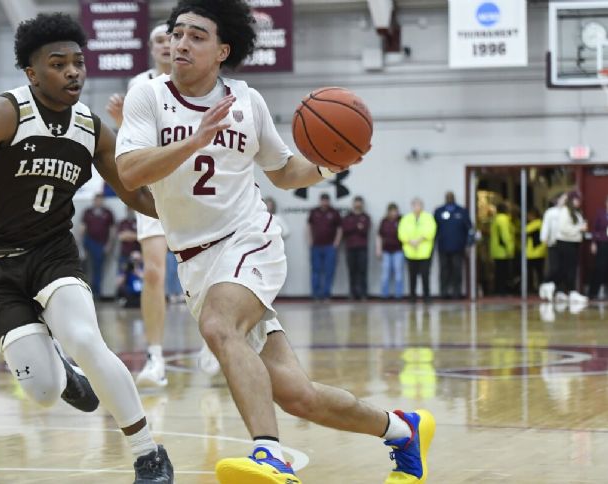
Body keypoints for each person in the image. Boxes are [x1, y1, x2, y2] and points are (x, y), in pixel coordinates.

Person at [115, 1, 434, 482]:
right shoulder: (148, 97)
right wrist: (195, 140)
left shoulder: (247, 102)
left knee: (221, 327)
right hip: (195, 261)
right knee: (295, 393)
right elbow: (131, 170)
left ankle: (269, 454)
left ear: (223, 50)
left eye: (197, 36)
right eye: (178, 33)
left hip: (248, 240)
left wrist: (331, 163)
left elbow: (284, 172)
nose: (181, 43)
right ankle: (402, 430)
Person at [0, 13, 173, 482]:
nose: (72, 73)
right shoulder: (6, 112)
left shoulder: (92, 127)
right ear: (31, 72)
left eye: (78, 63)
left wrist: (191, 215)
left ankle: (148, 453)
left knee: (85, 338)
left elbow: (135, 196)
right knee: (42, 392)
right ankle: (60, 373)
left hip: (52, 256)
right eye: (58, 64)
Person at [106, 22, 173, 389]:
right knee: (152, 274)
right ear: (151, 48)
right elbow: (131, 144)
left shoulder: (194, 80)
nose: (166, 45)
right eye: (159, 40)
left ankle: (216, 345)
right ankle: (155, 356)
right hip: (154, 191)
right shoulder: (139, 85)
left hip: (193, 189)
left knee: (205, 277)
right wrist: (121, 124)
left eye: (171, 38)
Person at [433, 191, 471, 299]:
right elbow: (434, 229)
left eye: (451, 197)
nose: (449, 198)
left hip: (458, 247)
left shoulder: (462, 211)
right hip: (443, 246)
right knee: (444, 270)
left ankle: (457, 292)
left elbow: (469, 228)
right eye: (448, 197)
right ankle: (444, 292)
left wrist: (468, 244)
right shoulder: (439, 211)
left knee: (457, 270)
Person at [398, 197, 436, 303]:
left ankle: (426, 296)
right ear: (412, 206)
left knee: (425, 275)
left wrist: (419, 240)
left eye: (419, 205)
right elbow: (401, 233)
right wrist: (410, 241)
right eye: (415, 205)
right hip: (410, 252)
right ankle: (412, 296)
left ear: (422, 206)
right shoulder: (406, 218)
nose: (417, 207)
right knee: (412, 276)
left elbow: (431, 231)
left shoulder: (428, 217)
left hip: (424, 252)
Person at [555, 192, 588, 304]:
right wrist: (579, 228)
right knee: (567, 268)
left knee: (568, 268)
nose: (578, 202)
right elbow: (564, 228)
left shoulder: (575, 212)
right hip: (566, 243)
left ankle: (562, 292)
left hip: (573, 243)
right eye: (576, 200)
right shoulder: (565, 211)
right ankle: (570, 291)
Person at [307, 193, 341, 300]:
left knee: (329, 271)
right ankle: (316, 294)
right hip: (316, 246)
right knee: (316, 270)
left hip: (330, 247)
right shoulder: (314, 212)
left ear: (329, 201)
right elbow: (308, 226)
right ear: (320, 201)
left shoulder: (334, 213)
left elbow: (340, 228)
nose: (324, 202)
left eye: (326, 200)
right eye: (323, 200)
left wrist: (336, 242)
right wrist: (310, 240)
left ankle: (326, 294)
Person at [81, 193, 114, 299]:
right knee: (84, 268)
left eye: (100, 200)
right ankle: (84, 291)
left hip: (101, 243)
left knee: (98, 268)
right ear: (94, 201)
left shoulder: (108, 213)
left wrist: (109, 244)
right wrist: (82, 246)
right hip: (89, 242)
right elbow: (82, 228)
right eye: (97, 200)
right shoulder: (88, 212)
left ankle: (96, 293)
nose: (98, 202)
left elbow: (112, 230)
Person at [539, 192, 567, 301]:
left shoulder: (567, 212)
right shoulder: (550, 212)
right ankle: (546, 284)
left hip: (565, 243)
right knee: (554, 267)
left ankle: (559, 290)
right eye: (563, 198)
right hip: (553, 243)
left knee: (563, 268)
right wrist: (544, 239)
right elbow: (546, 226)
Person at [342, 196, 370, 300]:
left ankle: (363, 293)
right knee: (352, 271)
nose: (358, 205)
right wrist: (356, 227)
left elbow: (365, 230)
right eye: (356, 203)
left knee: (362, 271)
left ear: (362, 204)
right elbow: (345, 230)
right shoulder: (348, 217)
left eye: (360, 203)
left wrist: (353, 228)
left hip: (362, 248)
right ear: (353, 204)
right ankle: (352, 293)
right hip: (350, 248)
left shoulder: (366, 217)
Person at [377, 202, 404, 299]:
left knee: (398, 273)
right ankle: (384, 294)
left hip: (398, 250)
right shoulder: (384, 221)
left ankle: (398, 295)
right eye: (391, 211)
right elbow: (380, 236)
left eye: (395, 211)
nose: (394, 213)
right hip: (386, 251)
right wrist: (378, 249)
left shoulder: (401, 220)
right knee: (385, 273)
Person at [489, 202, 515, 296]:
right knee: (503, 272)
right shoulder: (503, 219)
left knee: (498, 272)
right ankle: (502, 291)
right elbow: (505, 235)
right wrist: (510, 249)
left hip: (496, 250)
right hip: (503, 251)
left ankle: (498, 290)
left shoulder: (496, 219)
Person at [588, 195, 608, 300]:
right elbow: (595, 229)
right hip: (602, 243)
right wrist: (593, 242)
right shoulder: (601, 213)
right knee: (599, 267)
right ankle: (593, 292)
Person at [525, 209, 546, 295]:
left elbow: (524, 231)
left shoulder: (536, 224)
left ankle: (533, 289)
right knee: (539, 272)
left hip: (534, 252)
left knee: (534, 272)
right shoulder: (540, 223)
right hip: (537, 252)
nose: (527, 217)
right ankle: (538, 288)